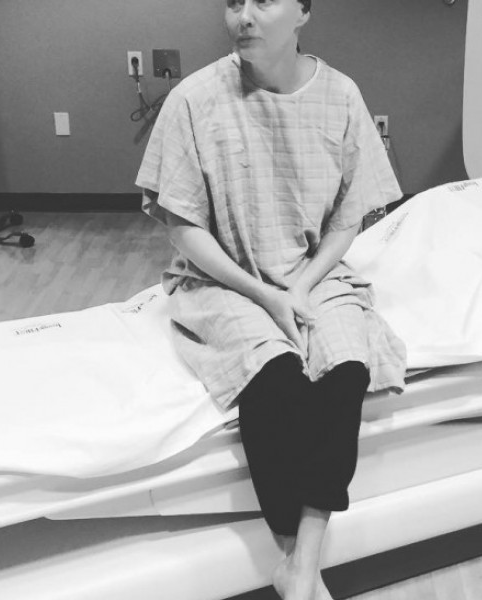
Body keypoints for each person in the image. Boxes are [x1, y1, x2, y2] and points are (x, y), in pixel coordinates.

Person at [136, 1, 406, 598]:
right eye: (234, 1)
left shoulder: (341, 97)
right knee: (277, 378)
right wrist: (263, 294)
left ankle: (300, 566)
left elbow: (347, 217)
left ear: (303, 11)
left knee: (345, 370)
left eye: (263, 0)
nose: (244, 17)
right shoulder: (194, 100)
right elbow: (181, 224)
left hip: (312, 271)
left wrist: (302, 287)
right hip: (223, 278)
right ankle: (298, 563)